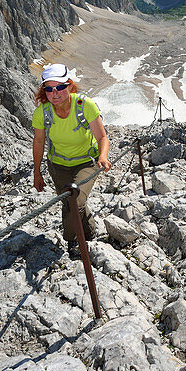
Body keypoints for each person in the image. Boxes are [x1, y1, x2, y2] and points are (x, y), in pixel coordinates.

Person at [31, 63, 111, 259]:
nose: (55, 93)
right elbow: (39, 141)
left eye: (60, 87)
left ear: (69, 85)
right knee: (71, 201)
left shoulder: (85, 106)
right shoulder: (43, 113)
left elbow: (102, 137)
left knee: (74, 201)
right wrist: (37, 172)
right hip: (58, 166)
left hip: (87, 162)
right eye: (49, 89)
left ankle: (72, 241)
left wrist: (103, 156)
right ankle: (90, 230)